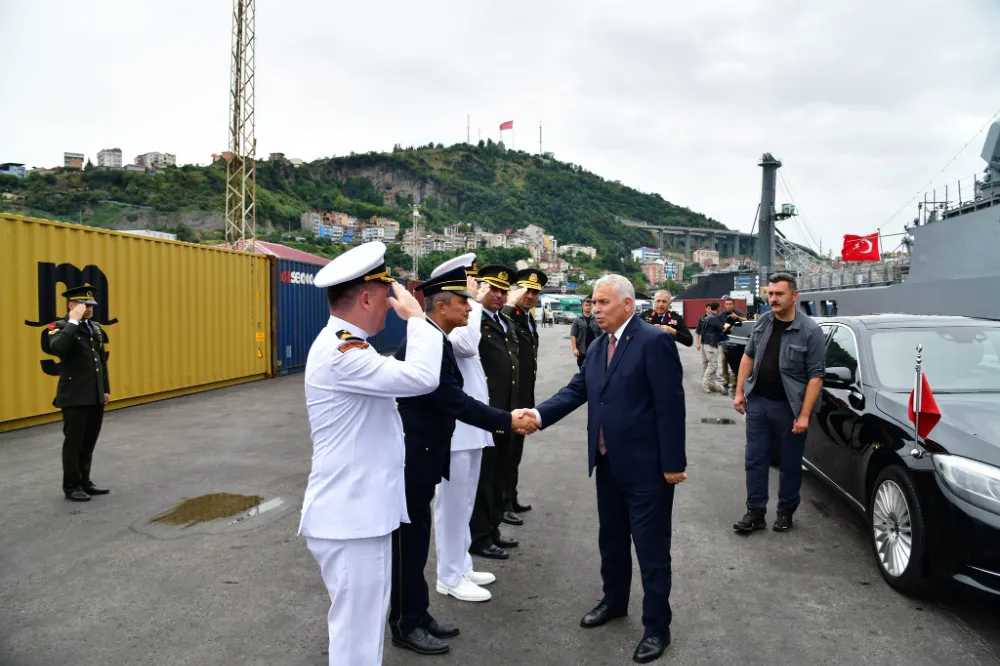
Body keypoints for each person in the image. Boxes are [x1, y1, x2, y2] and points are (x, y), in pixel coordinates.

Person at [520, 274, 686, 664]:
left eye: (603, 303)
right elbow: (577, 390)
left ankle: (656, 628)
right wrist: (538, 414)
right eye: (594, 303)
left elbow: (670, 405)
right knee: (611, 541)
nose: (596, 310)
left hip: (648, 468)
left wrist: (674, 464)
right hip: (608, 462)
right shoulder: (597, 347)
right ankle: (614, 602)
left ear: (627, 304)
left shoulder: (654, 341)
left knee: (651, 551)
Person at [298, 241, 442, 666]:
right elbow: (421, 377)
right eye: (386, 295)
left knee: (362, 630)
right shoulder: (342, 352)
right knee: (356, 637)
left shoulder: (349, 345)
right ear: (365, 297)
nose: (392, 304)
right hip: (350, 518)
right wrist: (419, 321)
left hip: (361, 515)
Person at [389, 264, 537, 655]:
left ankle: (417, 613)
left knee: (422, 535)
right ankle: (412, 616)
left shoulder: (437, 337)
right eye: (463, 300)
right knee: (415, 537)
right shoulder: (431, 341)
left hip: (435, 448)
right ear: (440, 307)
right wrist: (507, 419)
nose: (470, 307)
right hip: (421, 454)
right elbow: (452, 397)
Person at [426, 255, 501, 607]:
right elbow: (469, 346)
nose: (471, 302)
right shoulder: (444, 328)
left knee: (465, 502)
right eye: (465, 295)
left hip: (470, 429)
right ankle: (449, 576)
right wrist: (475, 305)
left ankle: (462, 564)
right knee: (451, 506)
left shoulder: (460, 322)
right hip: (456, 430)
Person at [732, 272, 826, 534]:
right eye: (770, 293)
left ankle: (785, 512)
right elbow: (748, 358)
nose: (773, 298)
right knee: (755, 459)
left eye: (779, 294)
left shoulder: (810, 331)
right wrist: (740, 392)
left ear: (794, 296)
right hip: (759, 403)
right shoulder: (763, 322)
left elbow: (816, 377)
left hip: (789, 408)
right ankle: (755, 513)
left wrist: (805, 415)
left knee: (790, 464)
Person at [468, 265, 521, 560]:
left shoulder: (505, 323)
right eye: (493, 290)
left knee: (500, 475)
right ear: (483, 290)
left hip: (507, 412)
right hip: (486, 413)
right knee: (483, 479)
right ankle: (479, 537)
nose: (499, 296)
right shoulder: (474, 322)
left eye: (503, 291)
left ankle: (493, 529)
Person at [45, 285, 111, 502]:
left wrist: (106, 390)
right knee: (73, 444)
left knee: (89, 441)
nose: (90, 309)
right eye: (85, 305)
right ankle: (71, 486)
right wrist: (73, 322)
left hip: (94, 395)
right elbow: (58, 348)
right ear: (71, 306)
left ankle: (85, 482)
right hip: (74, 396)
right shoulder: (60, 327)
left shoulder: (96, 328)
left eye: (92, 305)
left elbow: (101, 362)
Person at [500, 268, 546, 526]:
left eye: (535, 292)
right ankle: (504, 502)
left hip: (524, 394)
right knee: (506, 451)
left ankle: (512, 496)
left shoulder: (527, 318)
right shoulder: (509, 315)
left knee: (516, 450)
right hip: (511, 396)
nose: (530, 296)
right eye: (526, 290)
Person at [719, 297, 747, 391]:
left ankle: (735, 380)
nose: (728, 306)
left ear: (733, 304)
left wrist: (737, 318)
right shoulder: (722, 314)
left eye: (730, 304)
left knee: (736, 361)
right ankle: (726, 379)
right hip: (724, 340)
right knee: (724, 360)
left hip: (736, 341)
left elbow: (746, 320)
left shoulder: (738, 312)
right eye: (726, 304)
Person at [698, 302, 725, 394]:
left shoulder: (707, 317)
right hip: (711, 343)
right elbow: (722, 328)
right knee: (712, 366)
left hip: (707, 342)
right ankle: (705, 385)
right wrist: (726, 326)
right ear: (718, 308)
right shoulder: (713, 318)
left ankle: (712, 384)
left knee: (713, 365)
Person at [570, 296, 602, 369]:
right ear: (582, 306)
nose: (588, 307)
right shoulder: (577, 320)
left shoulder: (597, 319)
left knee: (594, 370)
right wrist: (575, 349)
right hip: (582, 350)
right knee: (582, 371)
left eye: (590, 305)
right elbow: (573, 335)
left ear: (592, 306)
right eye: (586, 305)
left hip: (594, 350)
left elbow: (601, 334)